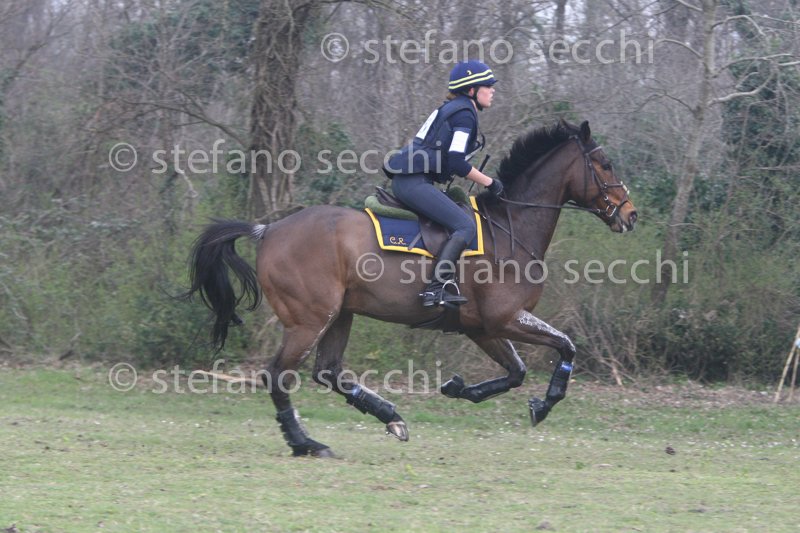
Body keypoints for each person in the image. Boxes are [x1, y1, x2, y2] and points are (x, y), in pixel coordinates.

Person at [383, 60, 504, 308]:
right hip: (414, 183)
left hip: (410, 180)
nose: (492, 90)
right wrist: (491, 183)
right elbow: (457, 162)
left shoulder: (452, 108)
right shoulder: (465, 114)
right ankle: (435, 289)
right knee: (465, 226)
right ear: (472, 90)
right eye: (488, 85)